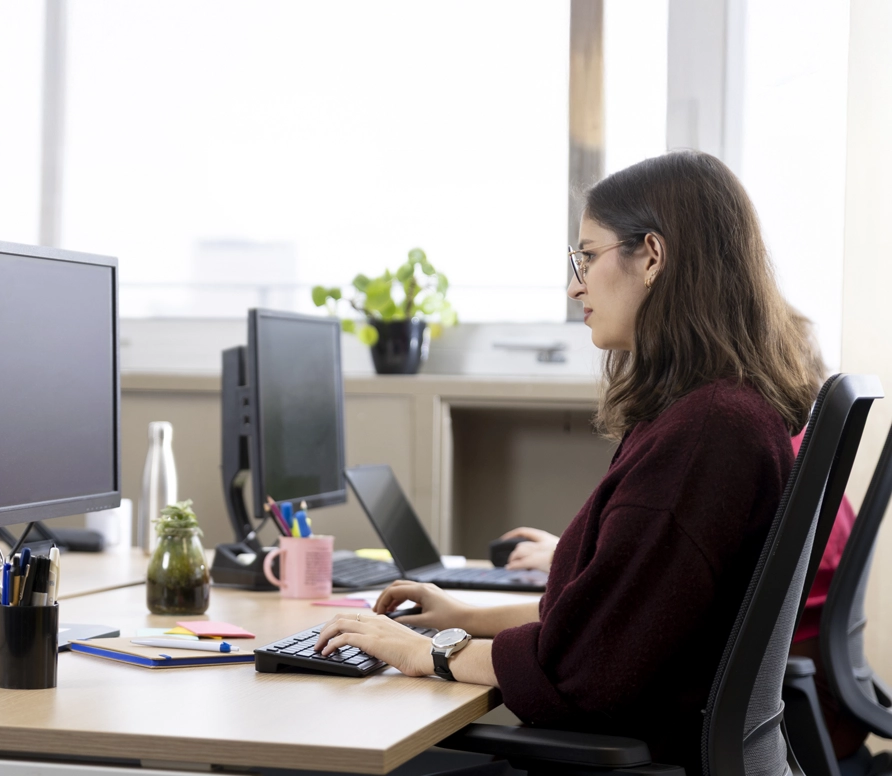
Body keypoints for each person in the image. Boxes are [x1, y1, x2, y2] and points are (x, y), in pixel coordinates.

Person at [315, 151, 818, 776]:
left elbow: (585, 671)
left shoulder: (704, 435)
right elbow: (611, 619)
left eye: (587, 256)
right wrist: (464, 617)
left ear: (652, 257)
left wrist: (430, 651)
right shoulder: (712, 412)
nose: (576, 285)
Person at [493, 318, 874, 764]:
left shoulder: (720, 438)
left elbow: (594, 664)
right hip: (791, 712)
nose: (578, 290)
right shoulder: (788, 451)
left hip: (782, 717)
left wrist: (440, 651)